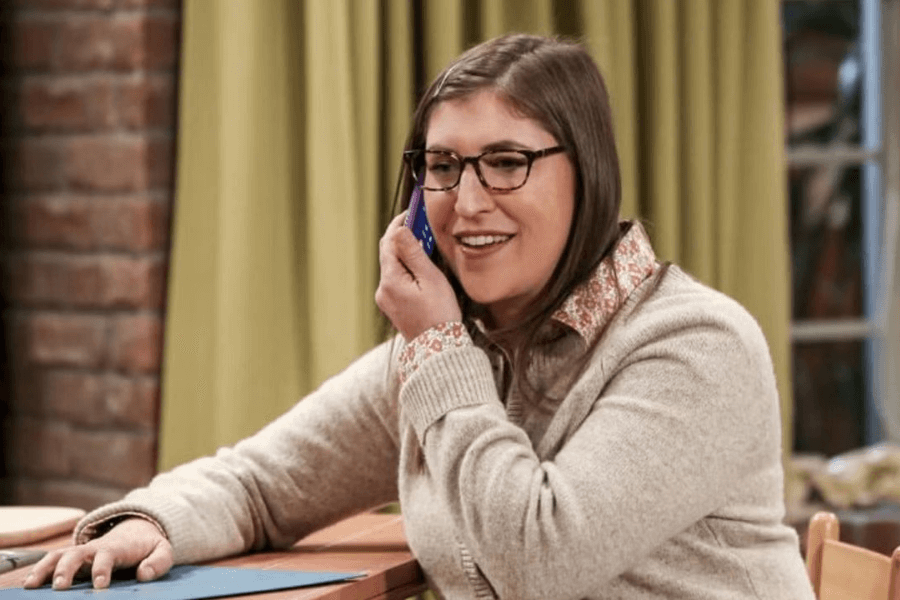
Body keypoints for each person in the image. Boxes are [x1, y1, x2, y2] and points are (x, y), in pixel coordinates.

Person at [24, 33, 815, 599]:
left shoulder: (695, 345)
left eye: (508, 162)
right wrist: (151, 524)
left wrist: (435, 342)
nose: (468, 202)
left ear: (591, 174)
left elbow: (539, 563)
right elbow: (266, 483)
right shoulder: (458, 350)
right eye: (442, 166)